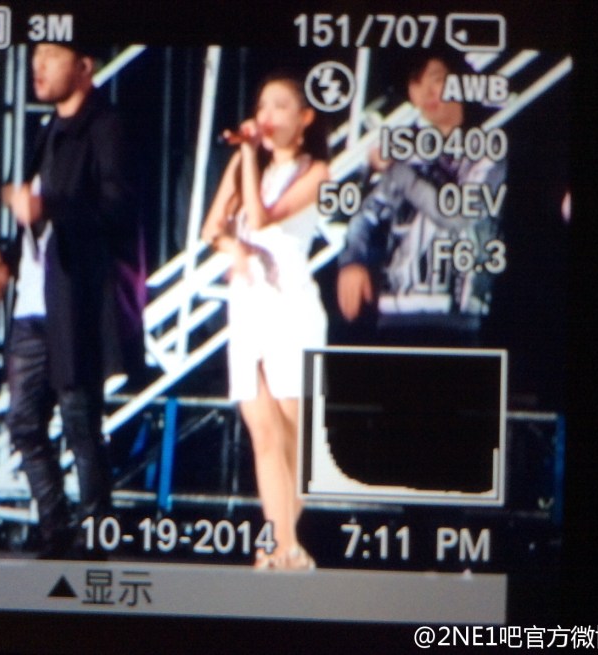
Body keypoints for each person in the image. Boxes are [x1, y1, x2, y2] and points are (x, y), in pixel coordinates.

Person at [0, 42, 144, 558]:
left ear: (84, 67)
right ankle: (55, 529)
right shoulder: (47, 131)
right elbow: (35, 226)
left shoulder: (105, 127)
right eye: (36, 54)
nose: (38, 65)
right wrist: (2, 261)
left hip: (74, 302)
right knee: (23, 421)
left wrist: (48, 206)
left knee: (80, 423)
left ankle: (96, 534)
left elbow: (117, 211)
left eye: (52, 55)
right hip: (31, 304)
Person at [201, 73, 329, 570]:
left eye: (279, 106)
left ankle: (282, 546)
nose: (267, 115)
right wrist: (234, 249)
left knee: (292, 439)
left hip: (291, 307)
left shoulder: (316, 171)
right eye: (262, 106)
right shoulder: (245, 162)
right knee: (262, 431)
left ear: (305, 119)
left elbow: (262, 216)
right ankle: (284, 548)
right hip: (248, 305)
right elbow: (213, 228)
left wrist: (250, 159)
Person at [336, 54, 507, 345]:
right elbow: (366, 215)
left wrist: (395, 169)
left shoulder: (488, 152)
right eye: (416, 83)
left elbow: (457, 217)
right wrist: (352, 260)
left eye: (437, 80)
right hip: (394, 317)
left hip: (457, 322)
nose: (427, 92)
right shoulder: (402, 155)